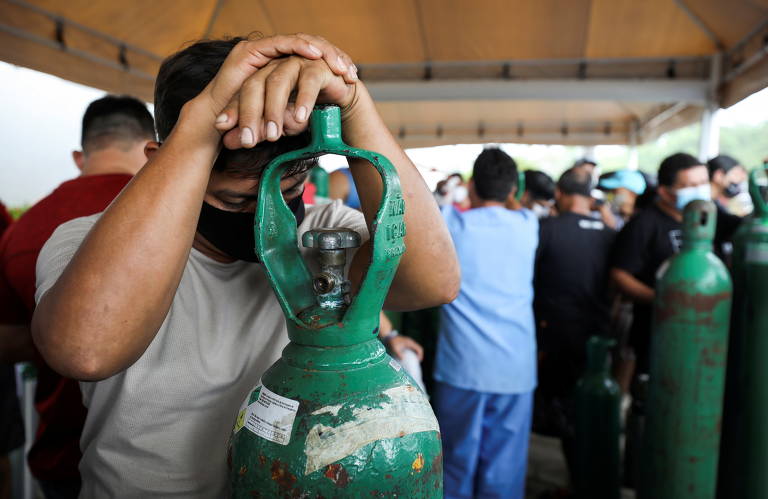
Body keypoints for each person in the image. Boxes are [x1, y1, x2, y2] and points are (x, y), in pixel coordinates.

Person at [31, 34, 459, 498]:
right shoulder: (85, 243)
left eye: (287, 192)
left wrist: (354, 107)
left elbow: (432, 282)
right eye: (235, 199)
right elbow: (85, 350)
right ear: (166, 162)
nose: (264, 219)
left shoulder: (323, 235)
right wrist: (197, 130)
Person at [0, 95, 156, 498]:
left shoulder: (23, 230)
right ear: (152, 149)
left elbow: (7, 338)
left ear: (78, 155)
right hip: (167, 455)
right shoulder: (177, 216)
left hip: (63, 448)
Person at [433, 147, 537, 499]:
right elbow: (516, 206)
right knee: (504, 471)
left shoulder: (451, 223)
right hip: (515, 367)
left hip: (463, 365)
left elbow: (436, 206)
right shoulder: (528, 224)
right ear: (512, 191)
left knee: (454, 465)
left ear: (473, 186)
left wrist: (453, 192)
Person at [610, 153, 740, 374]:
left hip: (706, 329)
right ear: (665, 191)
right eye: (691, 185)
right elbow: (620, 275)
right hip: (658, 328)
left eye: (703, 183)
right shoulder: (644, 224)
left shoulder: (711, 215)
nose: (700, 190)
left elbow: (748, 227)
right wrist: (661, 299)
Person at [533, 167, 616, 480]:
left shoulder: (547, 228)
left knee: (564, 413)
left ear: (560, 194)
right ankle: (589, 479)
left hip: (555, 334)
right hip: (598, 336)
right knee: (590, 411)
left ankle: (578, 480)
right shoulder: (609, 233)